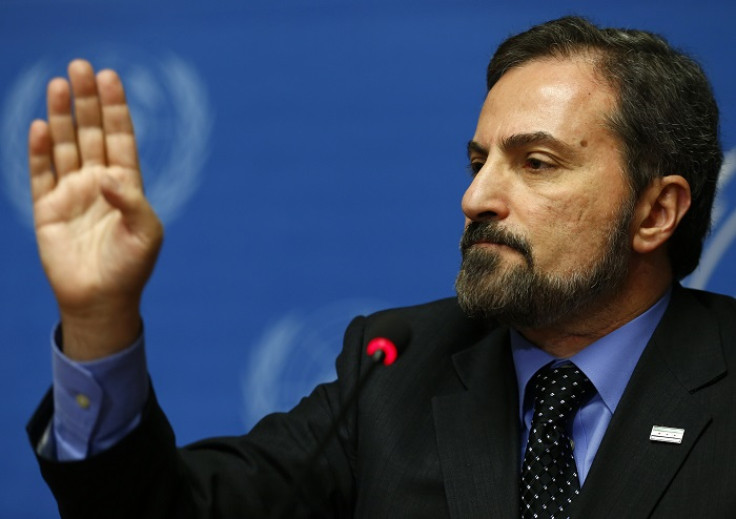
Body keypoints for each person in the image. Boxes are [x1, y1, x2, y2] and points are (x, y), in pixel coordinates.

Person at [26, 15, 736, 518]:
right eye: (476, 161)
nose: (476, 197)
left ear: (654, 213)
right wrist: (99, 320)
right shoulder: (396, 367)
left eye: (536, 163)